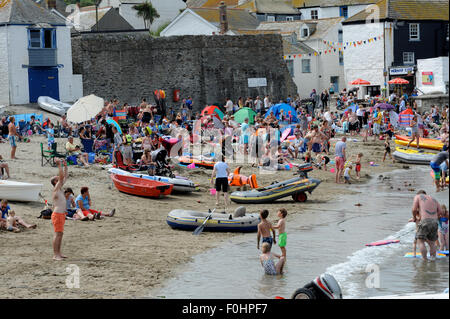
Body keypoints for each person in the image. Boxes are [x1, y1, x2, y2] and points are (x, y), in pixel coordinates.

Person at [411, 190, 442, 261]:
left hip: (425, 221)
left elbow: (414, 209)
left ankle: (424, 259)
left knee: (420, 241)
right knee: (432, 243)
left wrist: (414, 217)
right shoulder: (434, 199)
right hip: (434, 222)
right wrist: (434, 217)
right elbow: (440, 211)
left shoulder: (417, 196)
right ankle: (433, 258)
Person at [50, 159, 69, 261]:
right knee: (57, 234)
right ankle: (55, 255)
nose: (60, 179)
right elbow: (62, 177)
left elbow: (65, 176)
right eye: (57, 179)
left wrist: (65, 166)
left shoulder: (60, 189)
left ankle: (59, 253)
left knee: (60, 234)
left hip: (61, 214)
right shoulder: (56, 189)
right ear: (55, 182)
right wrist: (59, 165)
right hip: (57, 214)